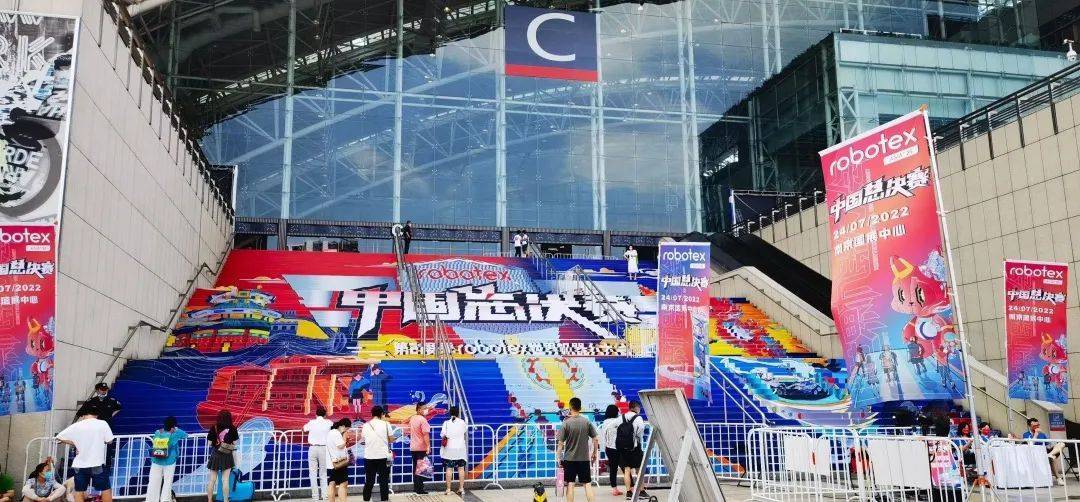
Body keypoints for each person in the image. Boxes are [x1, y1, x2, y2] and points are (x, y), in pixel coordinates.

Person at [56, 403, 114, 502]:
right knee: (105, 489)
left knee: (79, 491)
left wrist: (75, 443)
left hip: (80, 464)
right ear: (97, 414)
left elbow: (59, 437)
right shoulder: (102, 423)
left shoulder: (77, 425)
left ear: (84, 414)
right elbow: (110, 440)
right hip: (96, 463)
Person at [556, 397, 598, 502]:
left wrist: (558, 457)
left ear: (570, 407)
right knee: (587, 484)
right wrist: (594, 453)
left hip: (569, 459)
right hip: (584, 459)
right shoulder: (586, 422)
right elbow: (595, 439)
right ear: (580, 407)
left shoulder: (566, 423)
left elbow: (560, 443)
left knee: (570, 484)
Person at [146, 416, 188, 502]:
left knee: (153, 481)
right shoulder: (176, 433)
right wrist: (176, 429)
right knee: (167, 482)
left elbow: (154, 442)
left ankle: (151, 500)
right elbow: (185, 435)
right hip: (170, 460)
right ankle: (165, 500)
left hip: (156, 459)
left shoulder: (158, 432)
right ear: (173, 426)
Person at [360, 406, 393, 502]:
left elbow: (363, 440)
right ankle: (384, 499)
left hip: (369, 456)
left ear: (372, 414)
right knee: (384, 480)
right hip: (383, 456)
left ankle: (366, 499)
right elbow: (391, 439)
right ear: (382, 414)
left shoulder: (366, 425)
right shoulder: (386, 424)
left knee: (369, 480)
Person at [205, 410, 239, 502]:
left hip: (215, 455)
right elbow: (235, 443)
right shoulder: (233, 428)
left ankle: (209, 500)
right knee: (225, 480)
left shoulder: (214, 427)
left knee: (212, 480)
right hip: (227, 455)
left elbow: (209, 444)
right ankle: (225, 500)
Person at [1023, 418, 1067, 485]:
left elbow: (1048, 446)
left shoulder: (1042, 434)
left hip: (1045, 451)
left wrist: (1053, 447)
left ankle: (1050, 454)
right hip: (1034, 454)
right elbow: (1030, 445)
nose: (1037, 427)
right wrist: (1036, 434)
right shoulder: (1026, 434)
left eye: (1038, 425)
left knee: (1061, 444)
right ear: (1029, 426)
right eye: (1034, 426)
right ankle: (1058, 478)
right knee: (1052, 458)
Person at [620, 401, 648, 499]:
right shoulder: (638, 418)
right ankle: (641, 491)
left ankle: (628, 492)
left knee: (627, 470)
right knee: (639, 469)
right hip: (635, 447)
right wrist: (637, 439)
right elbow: (641, 430)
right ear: (637, 408)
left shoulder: (622, 417)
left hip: (624, 447)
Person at [303, 407, 333, 501]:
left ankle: (315, 496)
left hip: (312, 448)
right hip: (324, 448)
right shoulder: (329, 422)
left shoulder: (312, 422)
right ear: (325, 415)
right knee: (323, 473)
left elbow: (304, 429)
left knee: (313, 473)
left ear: (316, 414)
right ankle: (325, 495)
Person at [441, 406, 468, 496]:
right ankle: (461, 488)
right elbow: (464, 430)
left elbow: (442, 434)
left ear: (450, 413)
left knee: (449, 469)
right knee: (461, 468)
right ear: (458, 413)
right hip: (460, 448)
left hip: (449, 449)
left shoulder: (446, 423)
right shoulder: (462, 422)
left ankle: (448, 489)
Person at [325, 418, 353, 502]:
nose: (347, 431)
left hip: (333, 462)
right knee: (343, 483)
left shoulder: (332, 432)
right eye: (347, 429)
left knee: (332, 483)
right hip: (339, 461)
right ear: (343, 426)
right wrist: (345, 438)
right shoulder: (336, 433)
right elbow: (340, 446)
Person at [599, 405, 623, 496]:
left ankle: (614, 489)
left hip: (609, 448)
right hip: (619, 447)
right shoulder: (618, 420)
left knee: (613, 469)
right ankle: (631, 487)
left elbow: (603, 436)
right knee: (625, 468)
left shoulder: (605, 422)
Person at [408, 401, 431, 494]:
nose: (426, 410)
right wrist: (428, 446)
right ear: (419, 410)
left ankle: (416, 487)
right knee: (421, 469)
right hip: (421, 447)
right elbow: (425, 434)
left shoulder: (412, 418)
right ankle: (420, 489)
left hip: (413, 447)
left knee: (415, 468)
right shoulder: (423, 420)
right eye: (424, 408)